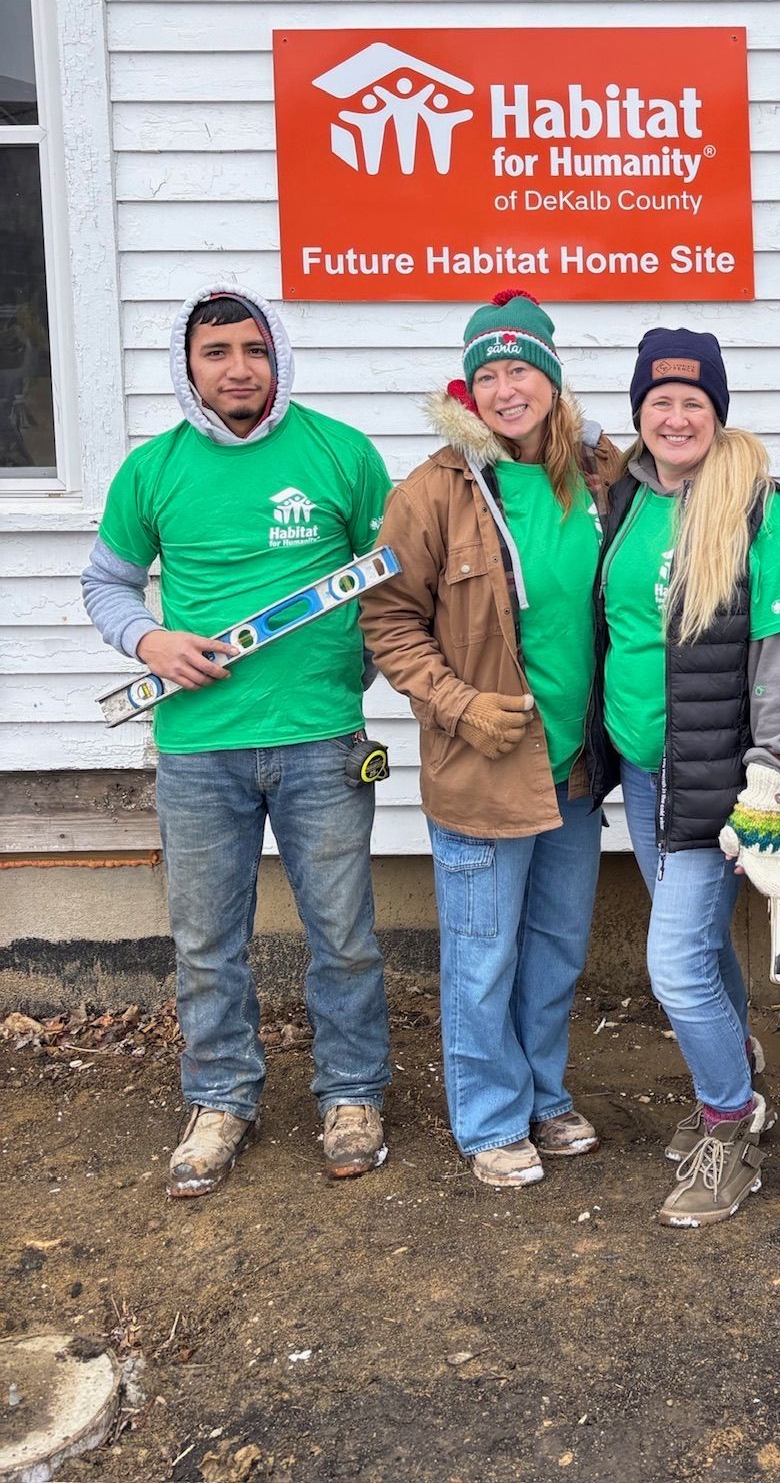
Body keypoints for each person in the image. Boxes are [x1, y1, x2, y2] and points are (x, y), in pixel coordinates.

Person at [81, 287, 393, 1197]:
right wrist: (152, 641)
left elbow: (388, 589)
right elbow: (106, 583)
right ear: (189, 368)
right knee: (208, 941)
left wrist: (345, 679)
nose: (238, 368)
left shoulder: (341, 454)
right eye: (216, 352)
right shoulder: (154, 471)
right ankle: (220, 1099)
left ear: (277, 356)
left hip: (321, 747)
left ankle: (352, 1095)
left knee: (344, 937)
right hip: (197, 752)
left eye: (253, 349)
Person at [360, 292, 623, 1189]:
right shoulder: (434, 488)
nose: (506, 388)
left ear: (550, 378)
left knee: (554, 949)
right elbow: (389, 621)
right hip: (483, 764)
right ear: (467, 389)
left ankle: (545, 1097)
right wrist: (458, 704)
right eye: (488, 374)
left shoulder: (597, 475)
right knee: (483, 956)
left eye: (522, 369)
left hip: (577, 765)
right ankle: (489, 1119)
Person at [585, 328, 780, 1228]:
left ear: (718, 414)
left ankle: (733, 1124)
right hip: (646, 772)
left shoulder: (759, 510)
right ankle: (738, 1080)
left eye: (694, 402)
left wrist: (773, 773)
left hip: (724, 777)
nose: (676, 416)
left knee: (675, 966)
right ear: (640, 412)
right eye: (660, 401)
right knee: (704, 948)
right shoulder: (625, 501)